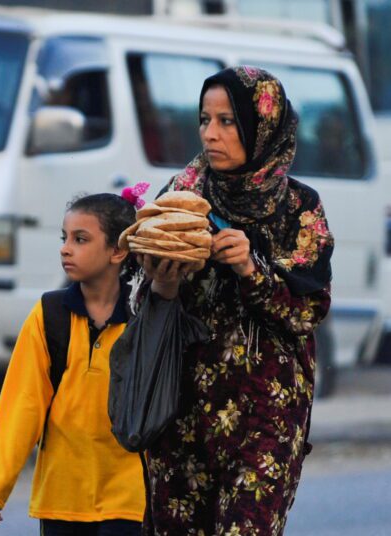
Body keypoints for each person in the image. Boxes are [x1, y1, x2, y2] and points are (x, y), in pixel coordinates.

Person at [138, 66, 333, 535]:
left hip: (267, 414)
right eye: (205, 120)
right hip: (179, 411)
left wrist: (251, 268)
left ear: (260, 127)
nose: (211, 134)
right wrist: (161, 281)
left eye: (228, 122)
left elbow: (307, 310)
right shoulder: (181, 196)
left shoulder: (299, 207)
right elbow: (140, 297)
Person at [0, 193, 147, 535]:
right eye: (64, 238)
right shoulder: (49, 313)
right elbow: (23, 403)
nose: (65, 248)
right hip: (62, 495)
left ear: (118, 251)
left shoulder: (145, 316)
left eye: (81, 239)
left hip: (133, 496)